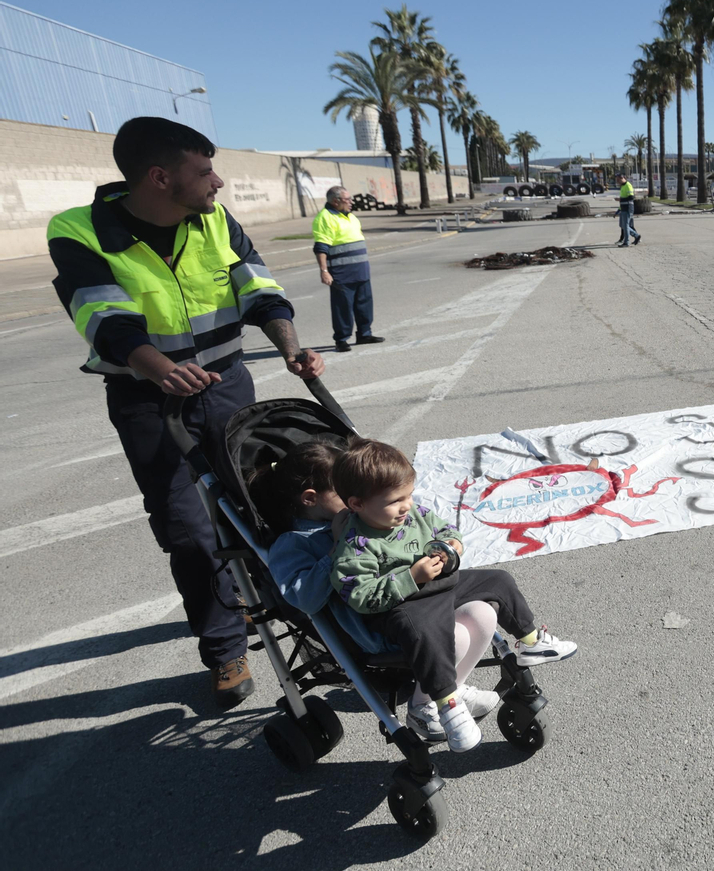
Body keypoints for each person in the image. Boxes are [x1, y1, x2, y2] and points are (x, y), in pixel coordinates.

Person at [49, 117, 324, 709]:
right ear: (159, 177)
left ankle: (293, 611)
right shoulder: (80, 231)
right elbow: (101, 315)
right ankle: (225, 646)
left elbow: (259, 287)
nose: (217, 181)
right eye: (203, 171)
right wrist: (158, 368)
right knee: (189, 532)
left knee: (263, 503)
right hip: (150, 402)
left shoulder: (215, 220)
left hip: (227, 387)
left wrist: (290, 345)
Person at [328, 438, 578, 752]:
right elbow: (361, 597)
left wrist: (452, 546)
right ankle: (443, 705)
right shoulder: (355, 546)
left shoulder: (412, 513)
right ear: (357, 505)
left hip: (441, 587)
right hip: (405, 606)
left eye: (408, 495)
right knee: (433, 634)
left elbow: (444, 529)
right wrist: (411, 577)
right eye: (395, 501)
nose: (406, 506)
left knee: (494, 587)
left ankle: (530, 641)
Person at [313, 187, 384, 353]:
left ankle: (364, 334)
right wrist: (324, 271)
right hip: (341, 273)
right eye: (347, 199)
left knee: (364, 305)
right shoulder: (325, 218)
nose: (351, 202)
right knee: (342, 308)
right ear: (335, 201)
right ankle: (341, 339)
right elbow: (321, 247)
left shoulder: (351, 217)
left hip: (360, 270)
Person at [616, 175, 641, 247]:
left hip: (628, 208)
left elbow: (631, 197)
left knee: (626, 225)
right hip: (623, 208)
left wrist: (620, 200)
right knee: (622, 225)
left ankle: (626, 242)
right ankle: (636, 235)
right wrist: (619, 209)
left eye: (618, 180)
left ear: (623, 178)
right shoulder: (622, 186)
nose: (617, 182)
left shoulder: (628, 185)